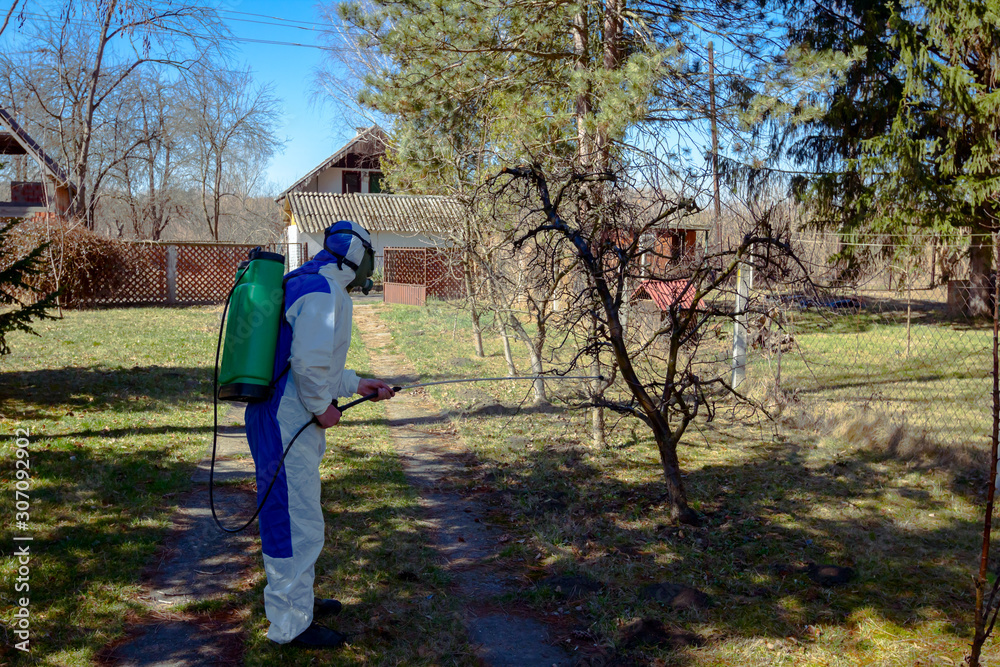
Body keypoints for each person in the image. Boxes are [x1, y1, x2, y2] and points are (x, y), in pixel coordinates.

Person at [245, 220, 395, 647]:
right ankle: (289, 626)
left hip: (286, 417)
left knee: (299, 516)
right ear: (356, 255)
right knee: (293, 522)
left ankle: (299, 602)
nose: (371, 265)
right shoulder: (322, 291)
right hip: (285, 421)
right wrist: (322, 409)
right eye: (369, 255)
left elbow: (315, 363)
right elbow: (308, 368)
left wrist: (356, 384)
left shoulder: (316, 283)